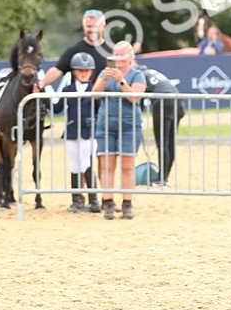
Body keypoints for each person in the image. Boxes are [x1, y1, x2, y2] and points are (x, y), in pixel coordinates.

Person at [93, 41, 147, 220]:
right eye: (116, 56)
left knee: (127, 167)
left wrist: (120, 80)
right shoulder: (104, 73)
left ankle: (127, 203)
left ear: (131, 57)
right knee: (107, 165)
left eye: (123, 56)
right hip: (106, 125)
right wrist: (104, 79)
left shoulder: (137, 75)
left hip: (129, 126)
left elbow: (134, 98)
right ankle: (108, 202)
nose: (119, 60)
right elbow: (95, 94)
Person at [52, 52, 100, 213]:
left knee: (86, 163)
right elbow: (57, 108)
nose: (84, 73)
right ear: (74, 71)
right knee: (74, 165)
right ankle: (76, 201)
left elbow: (100, 111)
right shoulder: (68, 89)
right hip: (72, 131)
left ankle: (94, 201)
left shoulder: (95, 89)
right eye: (80, 70)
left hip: (89, 131)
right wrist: (43, 96)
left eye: (87, 70)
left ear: (91, 71)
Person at [136, 63, 185, 184]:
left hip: (163, 103)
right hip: (178, 103)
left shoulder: (139, 76)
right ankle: (164, 176)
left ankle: (162, 178)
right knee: (170, 142)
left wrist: (138, 117)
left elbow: (139, 98)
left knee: (162, 143)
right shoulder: (152, 72)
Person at [39, 9, 108, 91]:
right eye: (89, 26)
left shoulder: (112, 51)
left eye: (96, 26)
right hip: (79, 102)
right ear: (83, 26)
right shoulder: (74, 50)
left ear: (104, 27)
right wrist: (41, 84)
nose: (92, 30)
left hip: (105, 102)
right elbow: (57, 70)